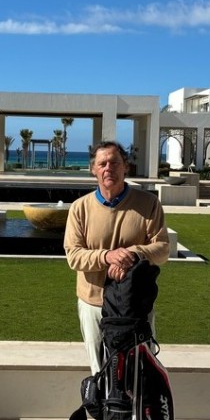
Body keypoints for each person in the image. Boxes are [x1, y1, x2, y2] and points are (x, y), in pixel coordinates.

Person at [64, 141, 169, 373]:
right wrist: (108, 256)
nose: (108, 168)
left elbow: (162, 249)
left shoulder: (148, 204)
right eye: (102, 163)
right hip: (94, 303)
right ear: (93, 169)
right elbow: (74, 256)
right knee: (100, 373)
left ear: (125, 167)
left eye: (114, 162)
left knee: (141, 372)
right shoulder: (79, 208)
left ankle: (140, 411)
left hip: (136, 304)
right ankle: (102, 411)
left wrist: (132, 255)